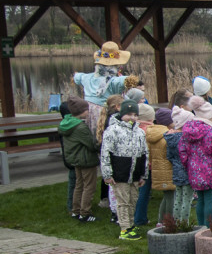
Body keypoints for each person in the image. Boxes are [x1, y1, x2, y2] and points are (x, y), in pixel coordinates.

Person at [100, 100, 148, 241]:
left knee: (133, 199)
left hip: (135, 172)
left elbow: (145, 153)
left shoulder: (139, 132)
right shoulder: (113, 130)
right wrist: (107, 173)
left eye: (134, 115)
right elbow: (105, 153)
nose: (132, 118)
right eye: (128, 114)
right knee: (123, 201)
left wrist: (143, 174)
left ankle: (131, 224)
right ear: (121, 115)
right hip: (120, 171)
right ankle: (124, 228)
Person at [178, 97, 212, 226]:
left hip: (193, 169)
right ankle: (209, 226)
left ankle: (200, 225)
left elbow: (182, 151)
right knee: (209, 199)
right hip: (210, 169)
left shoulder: (186, 132)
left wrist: (187, 165)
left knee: (200, 199)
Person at [59, 97, 100, 222]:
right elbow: (91, 145)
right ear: (81, 111)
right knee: (89, 186)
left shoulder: (67, 123)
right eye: (86, 110)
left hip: (75, 159)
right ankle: (85, 213)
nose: (88, 112)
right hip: (86, 160)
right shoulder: (81, 127)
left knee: (79, 185)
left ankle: (75, 210)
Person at [146, 108, 177, 225]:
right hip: (167, 169)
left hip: (158, 170)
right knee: (171, 197)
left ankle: (161, 220)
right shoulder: (166, 136)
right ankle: (168, 221)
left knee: (167, 195)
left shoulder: (153, 133)